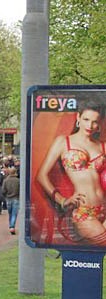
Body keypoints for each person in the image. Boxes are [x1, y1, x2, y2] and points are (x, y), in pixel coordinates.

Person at [37, 101, 106, 245]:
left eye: (95, 122)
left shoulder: (102, 146)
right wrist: (62, 200)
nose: (90, 126)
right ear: (78, 117)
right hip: (83, 211)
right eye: (86, 119)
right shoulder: (63, 142)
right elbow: (41, 176)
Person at [2, 167, 20, 234]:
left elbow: (3, 190)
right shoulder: (18, 180)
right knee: (14, 214)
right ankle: (12, 226)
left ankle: (11, 226)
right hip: (16, 198)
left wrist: (5, 195)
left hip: (8, 198)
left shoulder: (5, 180)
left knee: (10, 213)